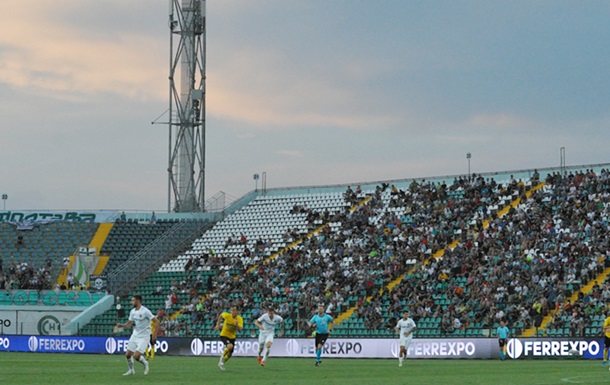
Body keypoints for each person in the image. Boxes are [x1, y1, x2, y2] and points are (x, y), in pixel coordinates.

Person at [116, 295, 159, 376]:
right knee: (128, 355)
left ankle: (145, 363)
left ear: (138, 301)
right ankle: (131, 370)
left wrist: (154, 334)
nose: (131, 302)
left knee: (136, 356)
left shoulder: (145, 311)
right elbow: (129, 324)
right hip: (135, 335)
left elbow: (157, 321)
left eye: (133, 300)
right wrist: (122, 325)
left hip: (144, 336)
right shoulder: (132, 311)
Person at [214, 305, 243, 371]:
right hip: (224, 335)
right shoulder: (227, 315)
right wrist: (218, 324)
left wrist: (236, 325)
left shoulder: (239, 319)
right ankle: (221, 359)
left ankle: (222, 363)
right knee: (230, 346)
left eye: (234, 310)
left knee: (230, 354)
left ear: (237, 311)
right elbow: (221, 315)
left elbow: (240, 330)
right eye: (231, 310)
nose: (232, 312)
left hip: (232, 337)